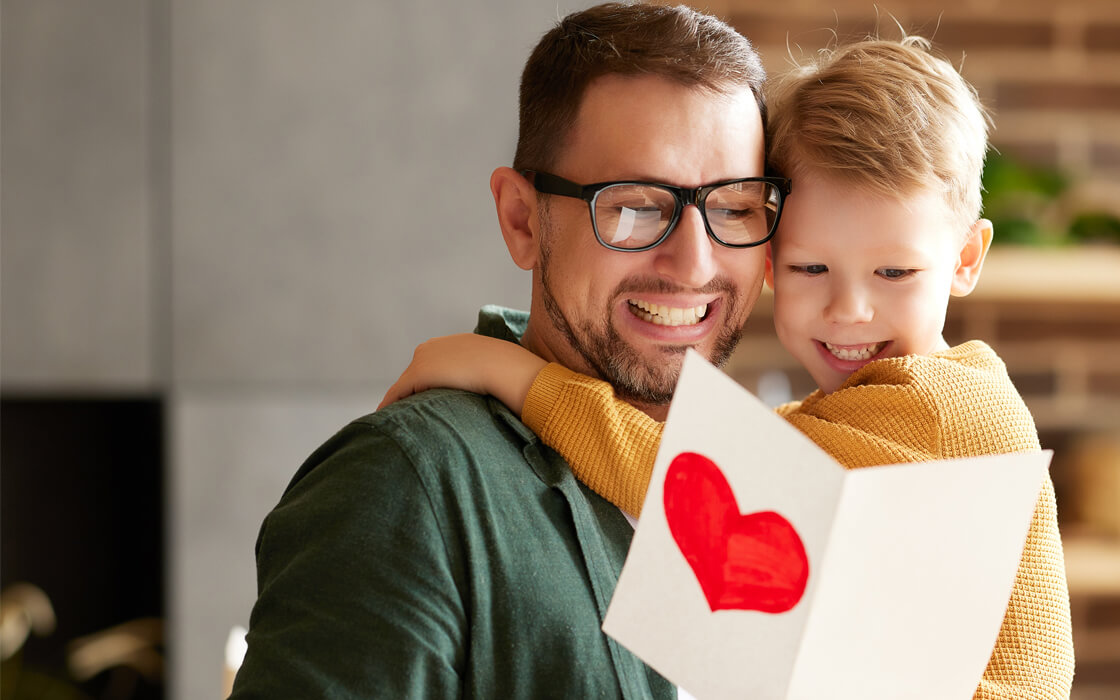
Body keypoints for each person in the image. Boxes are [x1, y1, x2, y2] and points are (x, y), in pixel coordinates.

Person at [379, 37, 1075, 699]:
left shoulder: (943, 410)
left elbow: (682, 479)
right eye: (811, 267)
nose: (850, 310)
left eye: (894, 271)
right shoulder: (888, 406)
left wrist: (510, 373)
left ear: (965, 260)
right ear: (769, 261)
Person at [231, 4, 774, 697]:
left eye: (734, 208)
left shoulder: (779, 483)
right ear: (522, 220)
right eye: (635, 205)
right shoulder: (409, 486)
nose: (694, 263)